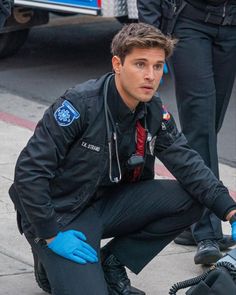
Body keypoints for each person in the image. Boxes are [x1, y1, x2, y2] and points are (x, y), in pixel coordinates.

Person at [9, 22, 236, 295]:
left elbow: (187, 163)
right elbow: (29, 173)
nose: (150, 75)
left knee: (192, 198)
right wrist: (50, 233)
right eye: (140, 64)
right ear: (117, 64)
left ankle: (112, 263)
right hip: (62, 214)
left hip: (108, 204)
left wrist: (230, 210)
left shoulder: (153, 109)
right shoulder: (80, 105)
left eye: (157, 66)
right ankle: (48, 260)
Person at [138, 0, 236, 265]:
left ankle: (190, 222)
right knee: (200, 129)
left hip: (231, 27)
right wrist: (149, 37)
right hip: (190, 23)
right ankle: (208, 232)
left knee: (207, 128)